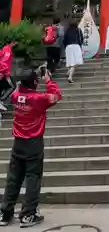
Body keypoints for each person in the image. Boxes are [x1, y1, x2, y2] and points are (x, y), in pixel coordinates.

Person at [0, 67, 62, 227]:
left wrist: (29, 77)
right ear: (35, 82)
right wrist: (48, 80)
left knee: (13, 179)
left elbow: (20, 88)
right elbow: (56, 96)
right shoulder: (38, 99)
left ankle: (5, 213)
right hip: (33, 142)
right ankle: (28, 214)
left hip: (18, 142)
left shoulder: (15, 96)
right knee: (33, 177)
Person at [0, 42, 16, 112]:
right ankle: (1, 100)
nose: (16, 44)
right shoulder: (7, 49)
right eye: (15, 42)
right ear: (11, 42)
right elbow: (4, 61)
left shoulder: (6, 49)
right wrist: (5, 71)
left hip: (4, 72)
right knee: (12, 86)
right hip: (5, 72)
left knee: (4, 86)